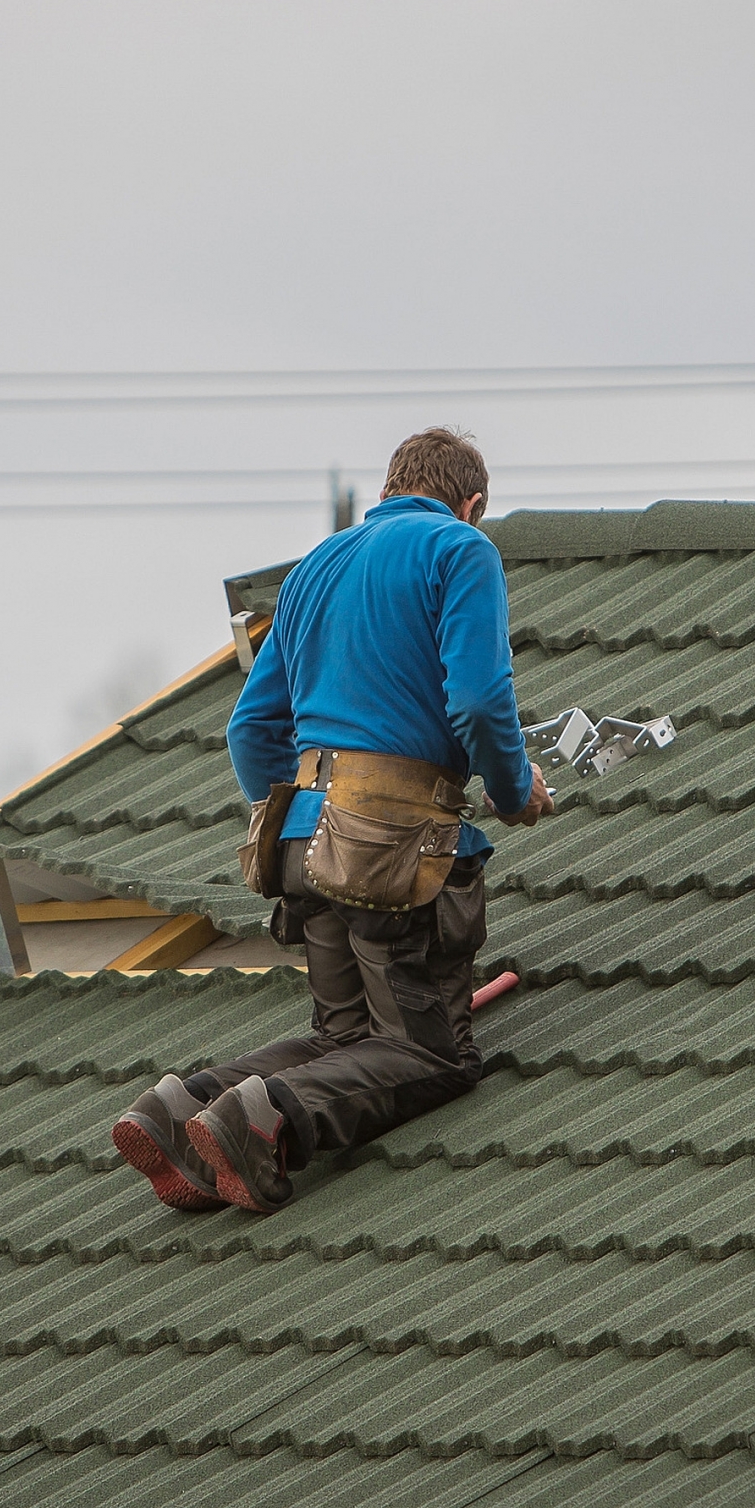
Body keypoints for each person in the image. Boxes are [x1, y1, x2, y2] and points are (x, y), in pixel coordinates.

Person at [110, 427, 550, 1213]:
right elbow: (481, 702)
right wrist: (514, 790)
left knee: (349, 1038)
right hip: (393, 856)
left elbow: (251, 728)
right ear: (472, 504)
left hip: (303, 845)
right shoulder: (459, 549)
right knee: (430, 1053)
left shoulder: (315, 566)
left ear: (388, 488)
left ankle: (183, 1108)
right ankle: (267, 1117)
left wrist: (308, 807)